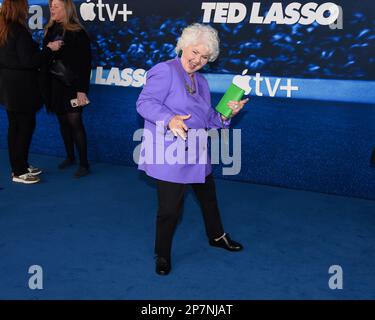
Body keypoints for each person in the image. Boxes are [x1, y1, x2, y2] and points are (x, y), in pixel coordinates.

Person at [136, 23, 249, 275]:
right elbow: (145, 103)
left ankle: (217, 236)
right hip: (170, 154)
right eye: (195, 52)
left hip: (197, 152)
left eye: (205, 57)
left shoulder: (202, 82)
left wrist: (228, 112)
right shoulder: (164, 70)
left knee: (208, 197)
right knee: (169, 210)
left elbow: (210, 119)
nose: (197, 60)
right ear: (183, 46)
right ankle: (162, 255)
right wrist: (169, 119)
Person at [0, 0, 63, 184]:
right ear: (19, 8)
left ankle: (20, 165)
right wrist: (49, 49)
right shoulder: (18, 30)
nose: (28, 9)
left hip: (8, 87)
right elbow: (30, 61)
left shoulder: (4, 28)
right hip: (21, 89)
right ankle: (19, 171)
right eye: (26, 5)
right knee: (23, 128)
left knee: (16, 127)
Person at [42, 0, 91, 177]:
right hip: (55, 86)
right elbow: (44, 60)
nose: (52, 9)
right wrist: (49, 49)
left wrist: (81, 90)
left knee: (75, 123)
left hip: (73, 86)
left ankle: (84, 163)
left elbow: (85, 64)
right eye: (51, 6)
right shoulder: (49, 30)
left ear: (67, 9)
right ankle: (70, 157)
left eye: (56, 6)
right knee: (62, 122)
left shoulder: (78, 32)